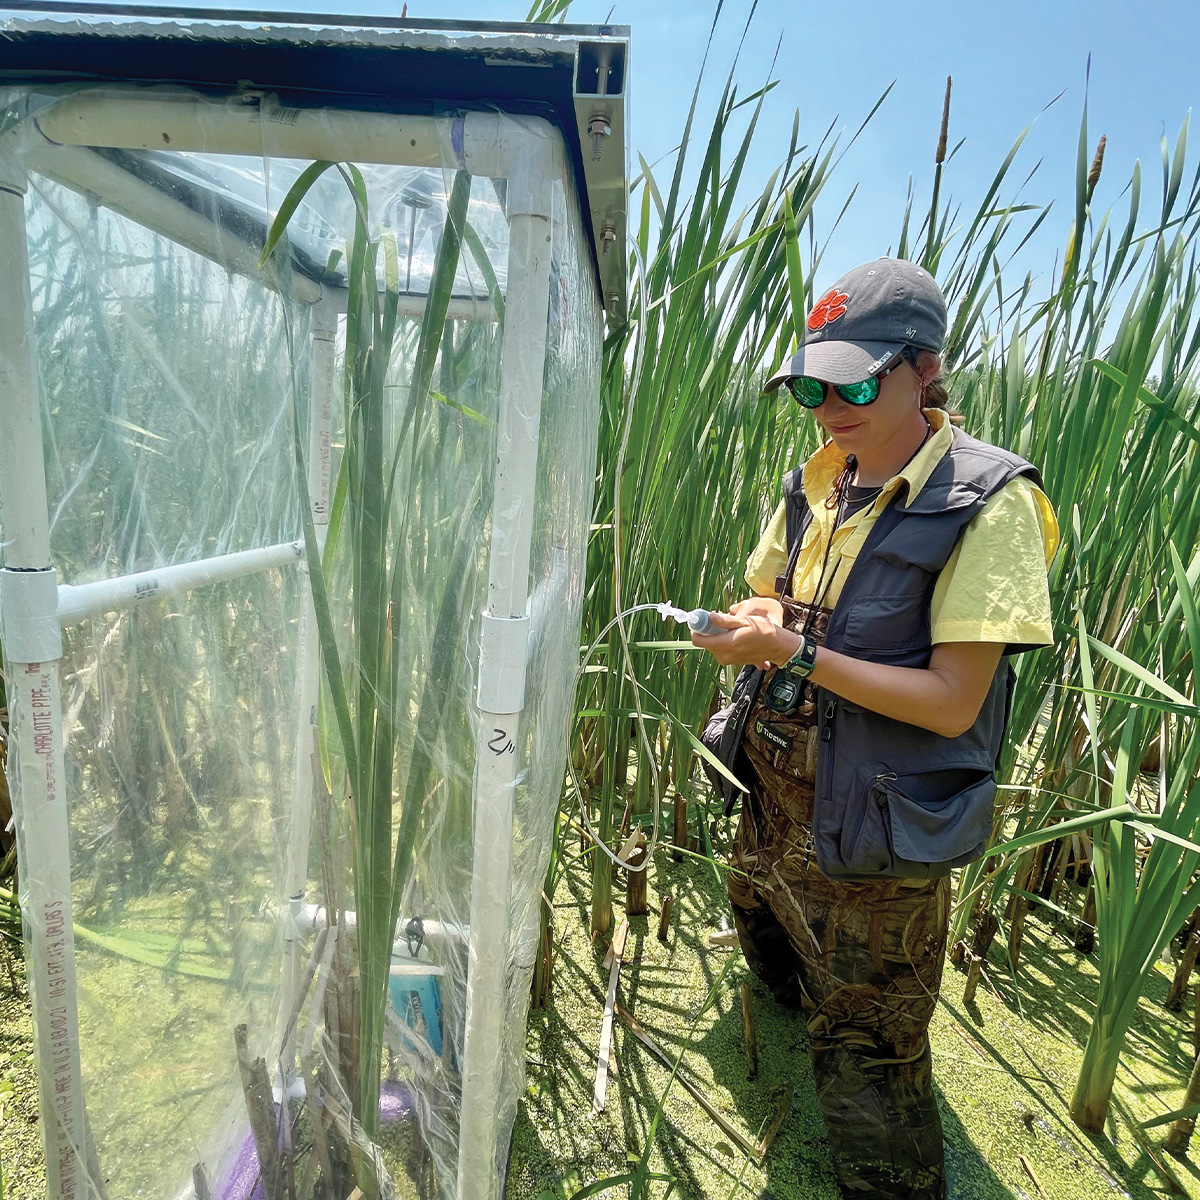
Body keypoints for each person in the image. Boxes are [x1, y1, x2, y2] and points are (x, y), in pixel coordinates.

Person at [692, 257, 1058, 1199]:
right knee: (761, 923)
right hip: (773, 789)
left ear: (922, 367)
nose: (827, 405)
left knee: (866, 1050)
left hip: (877, 832)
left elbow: (951, 702)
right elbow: (770, 594)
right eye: (810, 383)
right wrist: (753, 625)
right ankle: (778, 1006)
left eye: (853, 381)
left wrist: (798, 658)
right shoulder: (815, 481)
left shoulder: (990, 503)